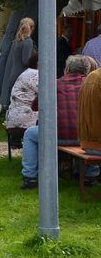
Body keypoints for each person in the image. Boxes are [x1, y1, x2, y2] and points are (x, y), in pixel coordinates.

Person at [21, 55, 97, 189]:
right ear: (87, 70)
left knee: (29, 134)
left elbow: (34, 106)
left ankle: (30, 177)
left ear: (67, 69)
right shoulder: (91, 85)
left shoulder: (53, 84)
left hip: (56, 135)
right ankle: (90, 175)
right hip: (84, 137)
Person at [1, 17, 35, 109]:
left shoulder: (16, 41)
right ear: (32, 28)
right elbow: (26, 60)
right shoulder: (28, 41)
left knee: (14, 105)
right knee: (23, 106)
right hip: (22, 77)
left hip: (13, 74)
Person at [5, 51, 39, 130]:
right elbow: (49, 95)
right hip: (28, 122)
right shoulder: (36, 75)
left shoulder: (26, 73)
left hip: (13, 121)